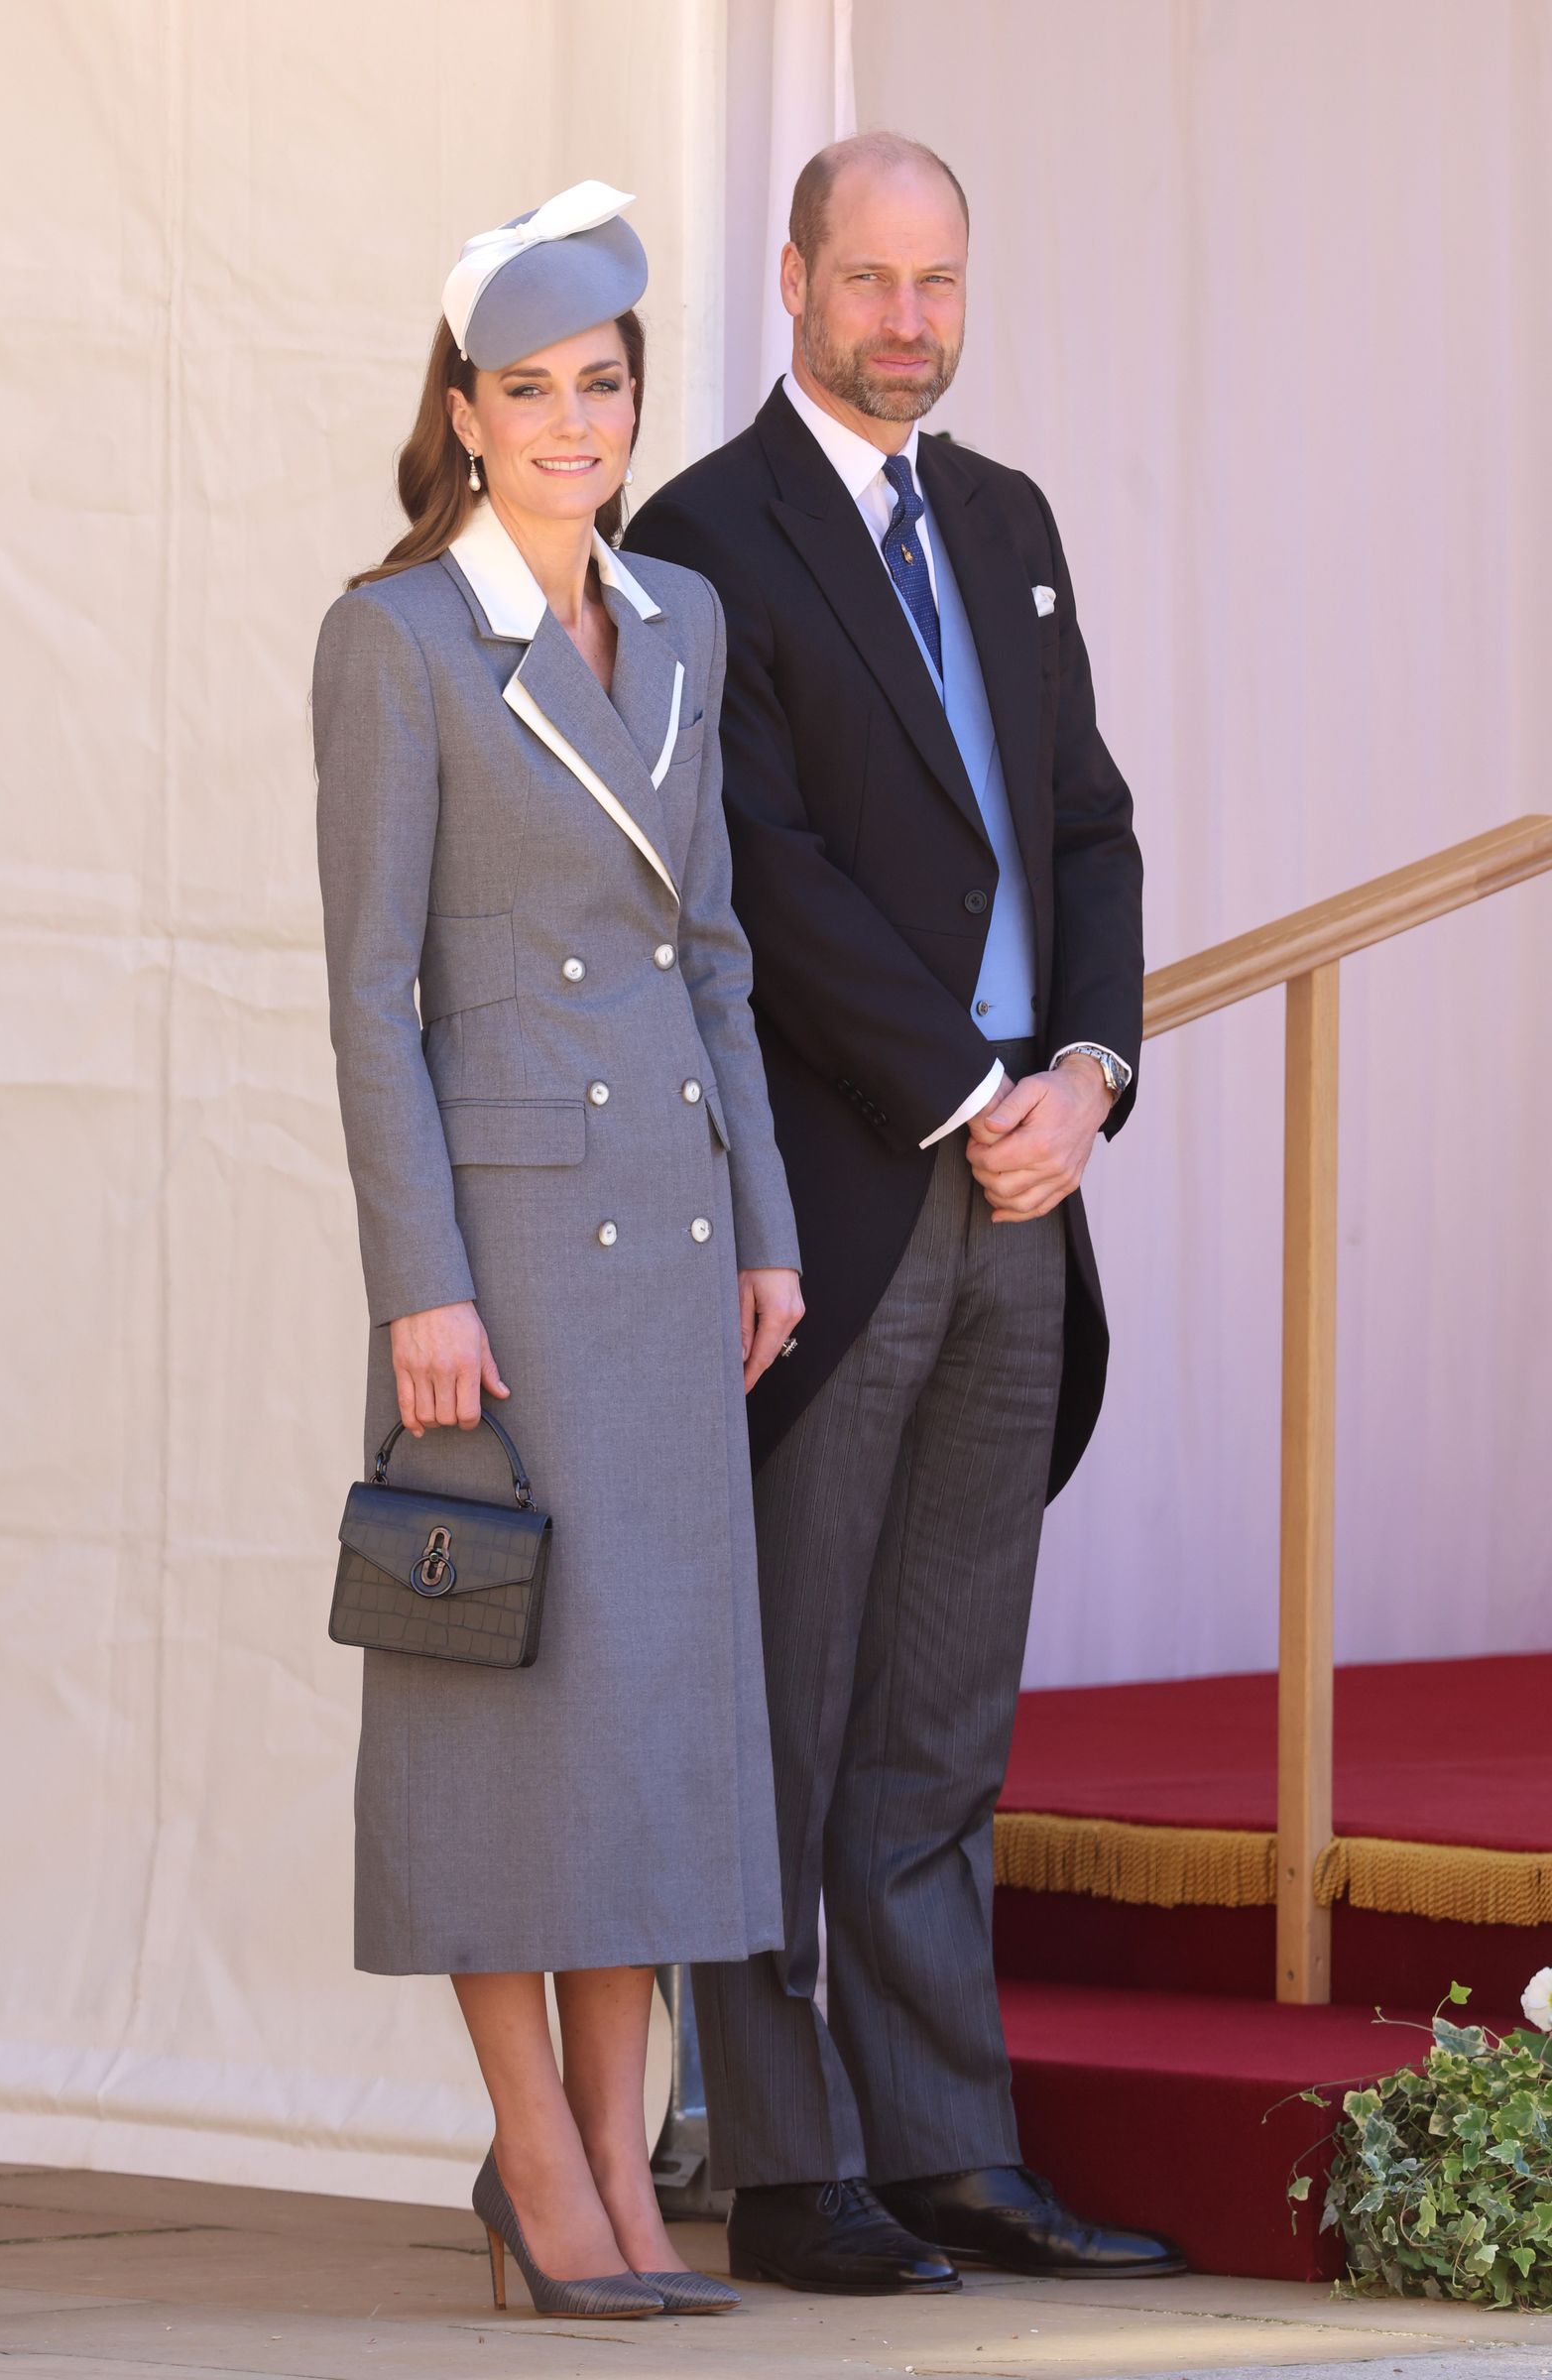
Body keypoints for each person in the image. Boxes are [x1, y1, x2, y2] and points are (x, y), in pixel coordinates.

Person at [627, 134, 1181, 2293]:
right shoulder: (701, 538)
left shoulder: (1011, 523)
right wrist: (967, 1088)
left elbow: (1085, 830)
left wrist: (1086, 1073)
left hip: (1023, 1193)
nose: (906, 321)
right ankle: (782, 2162)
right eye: (866, 279)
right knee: (788, 1698)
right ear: (790, 284)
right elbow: (761, 867)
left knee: (945, 1710)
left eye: (936, 280)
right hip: (837, 1201)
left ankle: (950, 2144)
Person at [312, 182, 803, 2322]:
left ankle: (619, 2160)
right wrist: (418, 1282)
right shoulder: (400, 638)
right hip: (499, 1273)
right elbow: (365, 995)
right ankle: (536, 2160)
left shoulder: (678, 621)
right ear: (464, 408)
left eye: (600, 387)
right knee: (505, 1727)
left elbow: (713, 956)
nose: (573, 424)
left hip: (671, 1253)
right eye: (530, 392)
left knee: (652, 1732)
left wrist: (768, 1230)